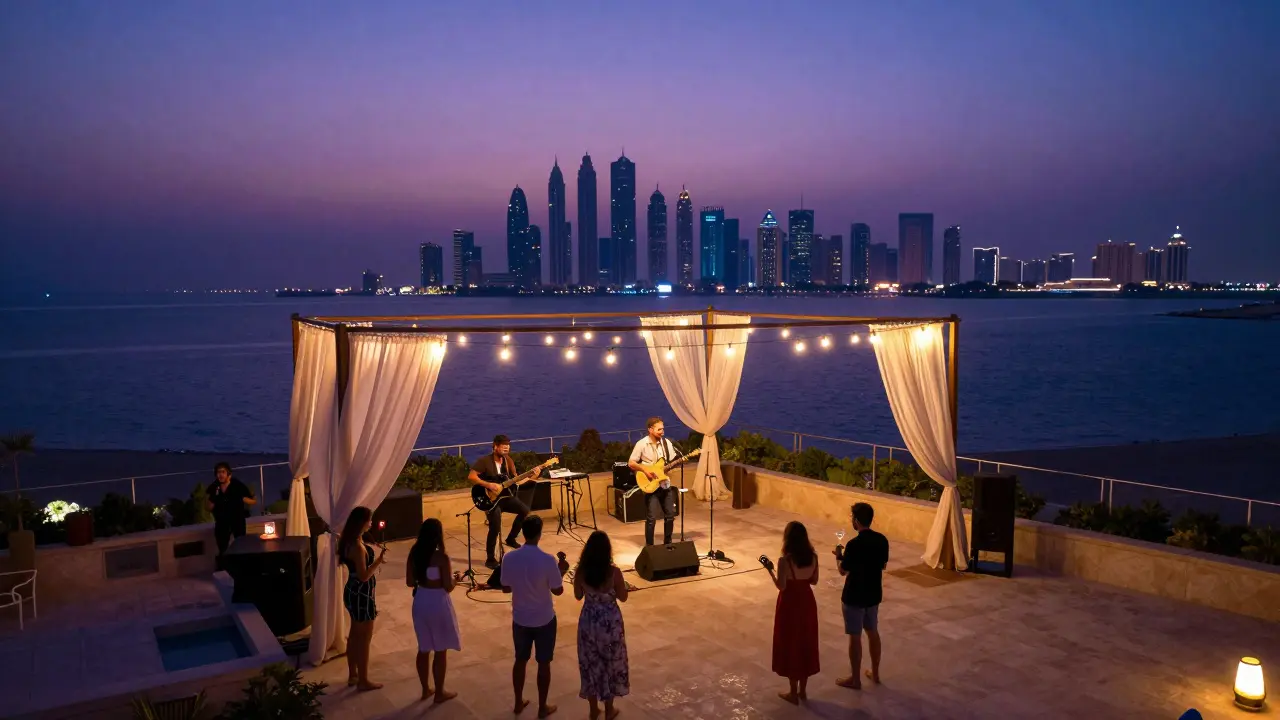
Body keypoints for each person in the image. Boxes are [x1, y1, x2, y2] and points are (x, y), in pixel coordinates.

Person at [500, 515, 571, 718]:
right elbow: (557, 590)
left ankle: (517, 702)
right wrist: (561, 572)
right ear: (540, 534)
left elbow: (505, 588)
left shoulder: (509, 558)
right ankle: (542, 706)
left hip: (520, 618)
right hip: (544, 618)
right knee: (544, 663)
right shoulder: (548, 560)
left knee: (520, 660)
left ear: (522, 532)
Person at [573, 531, 630, 720]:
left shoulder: (581, 571)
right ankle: (609, 709)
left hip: (589, 621)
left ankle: (592, 709)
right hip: (610, 623)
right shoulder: (614, 573)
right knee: (611, 663)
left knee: (590, 663)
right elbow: (623, 597)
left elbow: (578, 596)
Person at [834, 502, 889, 690]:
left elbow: (843, 571)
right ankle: (875, 673)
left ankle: (855, 679)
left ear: (856, 520)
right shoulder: (882, 540)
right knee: (873, 632)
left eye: (852, 518)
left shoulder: (853, 544)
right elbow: (882, 566)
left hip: (854, 595)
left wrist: (838, 556)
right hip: (873, 594)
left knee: (855, 637)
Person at [406, 518, 460, 704]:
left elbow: (409, 582)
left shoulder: (414, 554)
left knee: (423, 648)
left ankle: (425, 689)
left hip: (420, 601)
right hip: (437, 603)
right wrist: (456, 579)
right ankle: (439, 692)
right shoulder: (441, 557)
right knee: (440, 649)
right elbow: (447, 586)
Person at [767, 521, 821, 704]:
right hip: (807, 602)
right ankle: (803, 691)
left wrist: (771, 572)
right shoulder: (813, 557)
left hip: (789, 604)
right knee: (806, 642)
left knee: (791, 643)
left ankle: (793, 692)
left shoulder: (785, 561)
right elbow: (814, 581)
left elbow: (781, 586)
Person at [337, 506, 387, 691]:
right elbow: (364, 575)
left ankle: (353, 675)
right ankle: (363, 680)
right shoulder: (357, 547)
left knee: (354, 635)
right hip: (361, 595)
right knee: (364, 638)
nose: (371, 523)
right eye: (369, 520)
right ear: (362, 522)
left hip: (352, 592)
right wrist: (378, 562)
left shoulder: (350, 541)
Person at [469, 434, 532, 569]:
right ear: (495, 447)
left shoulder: (508, 461)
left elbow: (517, 480)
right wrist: (488, 485)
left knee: (525, 511)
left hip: (505, 497)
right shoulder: (484, 461)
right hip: (490, 499)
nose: (506, 449)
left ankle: (511, 538)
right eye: (503, 446)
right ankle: (490, 558)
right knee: (495, 526)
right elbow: (472, 476)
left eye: (508, 447)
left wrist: (533, 475)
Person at [627, 417, 686, 546]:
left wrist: (679, 461)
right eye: (659, 429)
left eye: (663, 429)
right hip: (650, 484)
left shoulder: (666, 444)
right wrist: (645, 470)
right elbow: (631, 463)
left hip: (664, 483)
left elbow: (670, 462)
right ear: (650, 430)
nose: (662, 432)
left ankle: (667, 544)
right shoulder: (642, 444)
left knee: (670, 515)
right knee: (651, 518)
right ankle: (650, 547)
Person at [207, 462, 256, 567]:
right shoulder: (215, 487)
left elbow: (253, 501)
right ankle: (223, 569)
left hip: (237, 519)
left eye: (223, 472)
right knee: (222, 547)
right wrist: (214, 498)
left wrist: (243, 499)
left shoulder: (237, 485)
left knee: (240, 545)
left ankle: (241, 568)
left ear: (229, 474)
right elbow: (208, 507)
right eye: (218, 472)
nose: (220, 475)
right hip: (221, 522)